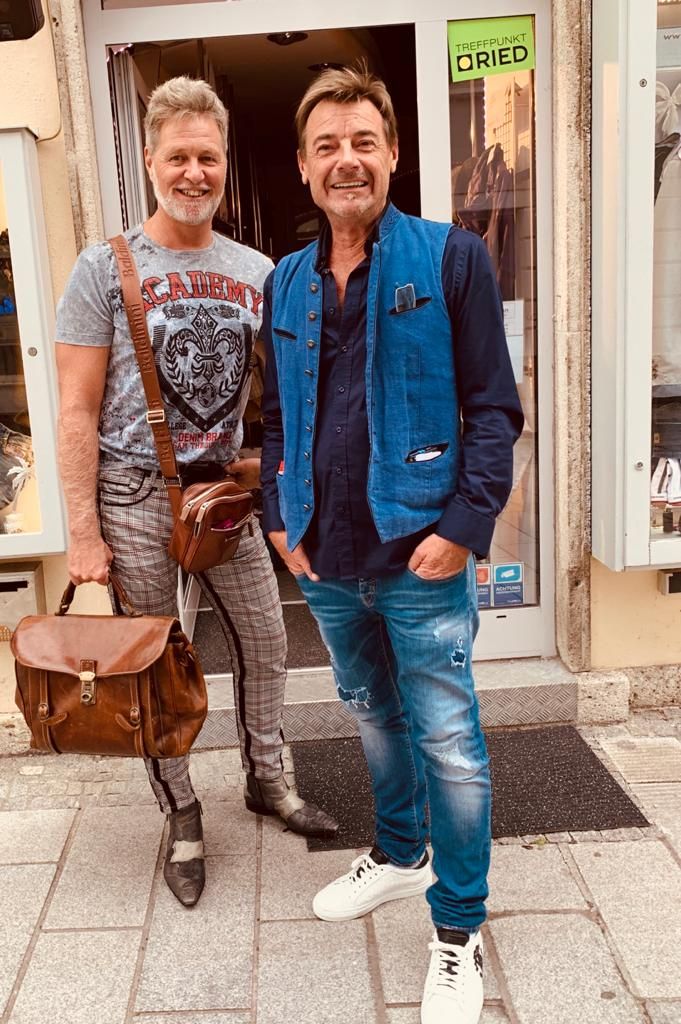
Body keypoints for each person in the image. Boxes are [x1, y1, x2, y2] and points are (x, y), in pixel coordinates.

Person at [260, 65, 523, 1023]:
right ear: (302, 165)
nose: (346, 160)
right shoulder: (285, 280)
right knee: (372, 712)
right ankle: (401, 854)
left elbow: (493, 410)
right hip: (325, 557)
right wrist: (278, 516)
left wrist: (463, 528)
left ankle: (457, 932)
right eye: (326, 145)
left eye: (363, 142)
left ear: (393, 154)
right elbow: (277, 417)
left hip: (419, 551)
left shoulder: (451, 258)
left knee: (448, 739)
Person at [55, 76, 337, 910]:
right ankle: (180, 812)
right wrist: (83, 535)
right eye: (178, 157)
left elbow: (291, 397)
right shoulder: (103, 268)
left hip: (222, 499)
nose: (193, 172)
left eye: (207, 157)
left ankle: (267, 779)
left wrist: (282, 490)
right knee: (154, 667)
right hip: (131, 495)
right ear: (150, 161)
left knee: (267, 642)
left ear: (223, 163)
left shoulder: (257, 271)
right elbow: (74, 408)